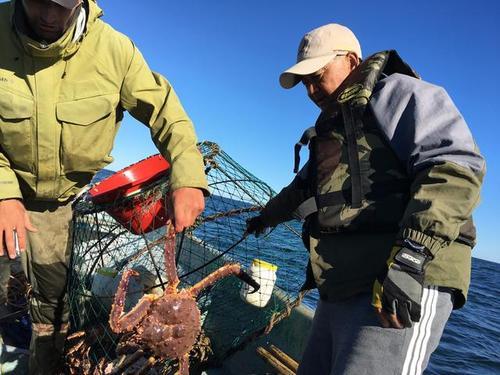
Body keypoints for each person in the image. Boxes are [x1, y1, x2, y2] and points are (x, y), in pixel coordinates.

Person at [246, 23, 485, 374]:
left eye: (318, 75)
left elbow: (456, 166)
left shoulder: (399, 93)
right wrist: (263, 218)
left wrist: (412, 257)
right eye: (305, 83)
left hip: (404, 277)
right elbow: (302, 188)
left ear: (352, 60)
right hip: (343, 282)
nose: (312, 90)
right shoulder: (334, 129)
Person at [0, 0, 208, 373]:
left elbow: (165, 113)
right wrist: (5, 192)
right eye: (37, 2)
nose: (48, 17)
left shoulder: (114, 51)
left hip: (59, 203)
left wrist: (189, 174)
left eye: (61, 6)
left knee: (53, 306)